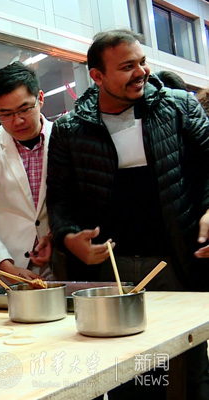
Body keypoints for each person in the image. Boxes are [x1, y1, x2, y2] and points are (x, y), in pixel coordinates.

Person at [47, 29, 209, 398]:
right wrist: (69, 237)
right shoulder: (71, 129)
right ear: (97, 76)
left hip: (177, 265)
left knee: (189, 376)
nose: (141, 72)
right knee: (128, 380)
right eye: (127, 67)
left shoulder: (179, 108)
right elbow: (59, 200)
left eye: (142, 62)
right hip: (110, 275)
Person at [0, 62, 56, 292]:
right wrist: (6, 266)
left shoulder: (62, 138)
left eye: (24, 109)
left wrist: (54, 236)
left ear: (40, 98)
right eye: (5, 114)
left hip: (57, 264)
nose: (17, 121)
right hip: (3, 269)